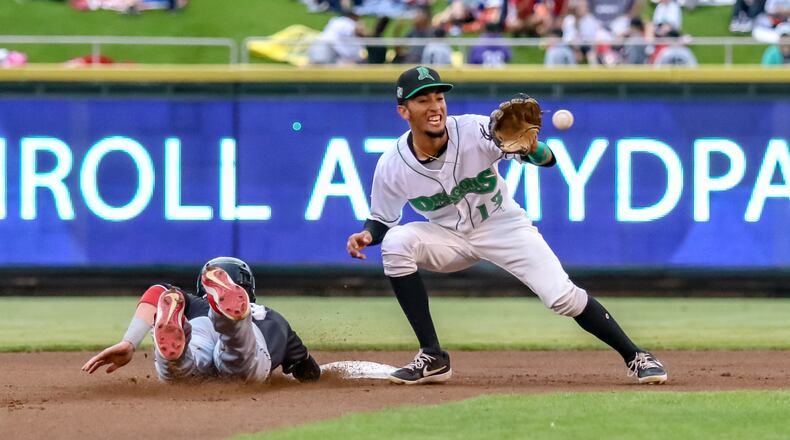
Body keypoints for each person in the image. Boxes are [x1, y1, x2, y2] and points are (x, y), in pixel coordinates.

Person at [346, 65, 668, 385]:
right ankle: (433, 356)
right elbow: (382, 219)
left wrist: (533, 148)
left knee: (563, 297)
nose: (435, 106)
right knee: (396, 244)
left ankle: (636, 355)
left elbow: (548, 159)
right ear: (404, 111)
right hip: (447, 237)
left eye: (438, 97)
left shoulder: (474, 130)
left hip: (502, 224)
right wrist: (367, 234)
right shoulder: (392, 165)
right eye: (422, 100)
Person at [83, 257, 320, 383]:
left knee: (183, 371)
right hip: (254, 335)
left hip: (198, 323)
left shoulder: (195, 302)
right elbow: (309, 373)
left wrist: (129, 342)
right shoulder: (274, 318)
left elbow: (157, 291)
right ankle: (233, 323)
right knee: (238, 361)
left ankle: (176, 354)